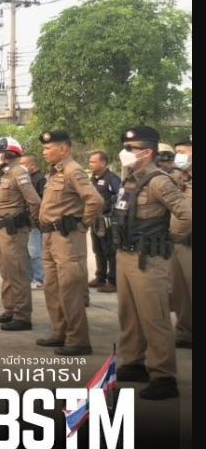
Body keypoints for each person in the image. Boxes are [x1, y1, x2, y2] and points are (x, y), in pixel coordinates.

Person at [112, 126, 190, 399]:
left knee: (154, 318)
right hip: (126, 255)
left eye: (130, 148)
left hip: (149, 259)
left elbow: (187, 215)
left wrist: (170, 238)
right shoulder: (130, 178)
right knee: (129, 314)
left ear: (147, 152)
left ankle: (163, 375)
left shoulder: (159, 181)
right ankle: (133, 362)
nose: (124, 152)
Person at [36, 130, 103, 356]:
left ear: (64, 148)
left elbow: (95, 200)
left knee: (70, 289)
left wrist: (83, 225)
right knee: (52, 288)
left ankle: (78, 340)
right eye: (44, 148)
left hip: (66, 239)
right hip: (50, 237)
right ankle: (60, 332)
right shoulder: (56, 171)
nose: (44, 152)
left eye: (48, 148)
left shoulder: (73, 170)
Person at [0, 137, 42, 331]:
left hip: (14, 231)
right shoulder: (5, 173)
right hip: (2, 229)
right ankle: (10, 309)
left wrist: (31, 223)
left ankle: (22, 316)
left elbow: (34, 201)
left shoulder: (18, 173)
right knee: (7, 271)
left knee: (18, 273)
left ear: (9, 154)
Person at [87, 150, 122, 293]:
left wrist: (112, 215)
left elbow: (120, 196)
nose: (90, 164)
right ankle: (100, 277)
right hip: (95, 220)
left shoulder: (112, 178)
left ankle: (113, 281)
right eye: (90, 161)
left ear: (103, 163)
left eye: (93, 162)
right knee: (98, 249)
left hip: (108, 220)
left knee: (110, 251)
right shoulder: (93, 179)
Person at [170, 139, 192, 349]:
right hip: (178, 242)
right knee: (180, 290)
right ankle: (185, 331)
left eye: (182, 152)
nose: (179, 156)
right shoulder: (177, 177)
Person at [19, 155, 47, 289]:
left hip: (34, 221)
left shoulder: (40, 179)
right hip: (25, 220)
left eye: (24, 164)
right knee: (27, 251)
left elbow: (41, 202)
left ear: (32, 165)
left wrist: (35, 219)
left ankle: (38, 278)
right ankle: (30, 277)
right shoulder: (26, 178)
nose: (21, 167)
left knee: (34, 251)